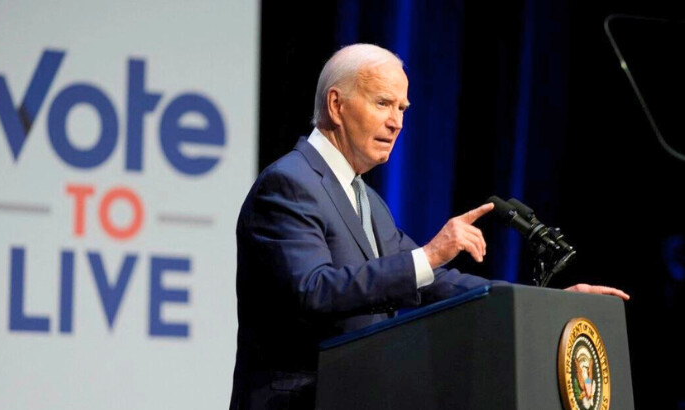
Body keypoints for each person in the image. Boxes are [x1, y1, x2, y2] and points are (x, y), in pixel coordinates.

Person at [229, 43, 628, 410]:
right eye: (384, 103)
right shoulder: (289, 184)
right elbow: (312, 289)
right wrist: (430, 253)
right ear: (336, 105)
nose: (396, 122)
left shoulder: (367, 200)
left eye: (402, 109)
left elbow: (434, 281)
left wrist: (544, 304)